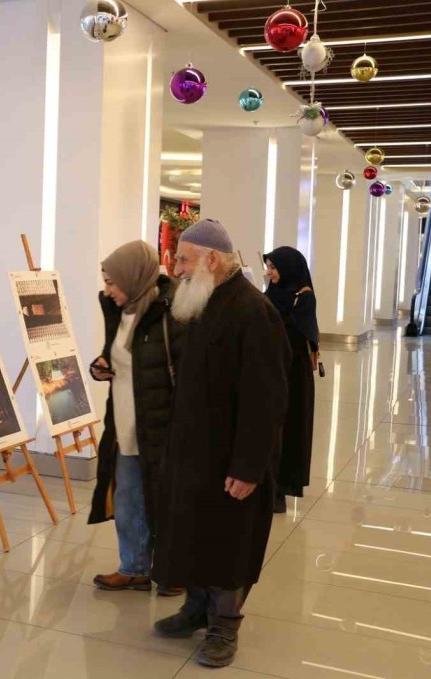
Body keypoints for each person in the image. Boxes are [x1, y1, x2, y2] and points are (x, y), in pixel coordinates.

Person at [151, 219, 291, 668]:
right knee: (191, 532)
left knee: (228, 541)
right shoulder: (203, 301)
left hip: (232, 458)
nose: (176, 268)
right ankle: (195, 609)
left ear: (212, 260)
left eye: (184, 259)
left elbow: (266, 400)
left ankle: (223, 627)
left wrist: (249, 467)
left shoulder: (254, 313)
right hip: (193, 452)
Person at [86, 240, 186, 597]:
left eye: (112, 281)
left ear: (132, 276)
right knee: (128, 498)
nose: (107, 289)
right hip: (125, 423)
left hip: (161, 426)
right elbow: (116, 357)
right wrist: (100, 366)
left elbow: (184, 372)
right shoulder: (119, 312)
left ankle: (172, 571)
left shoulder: (171, 310)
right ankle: (134, 568)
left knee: (165, 499)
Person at [263, 247, 320, 513]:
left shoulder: (304, 297)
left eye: (274, 268)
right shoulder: (271, 294)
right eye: (269, 267)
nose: (269, 272)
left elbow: (299, 335)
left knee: (289, 428)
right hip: (272, 369)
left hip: (293, 375)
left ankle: (280, 489)